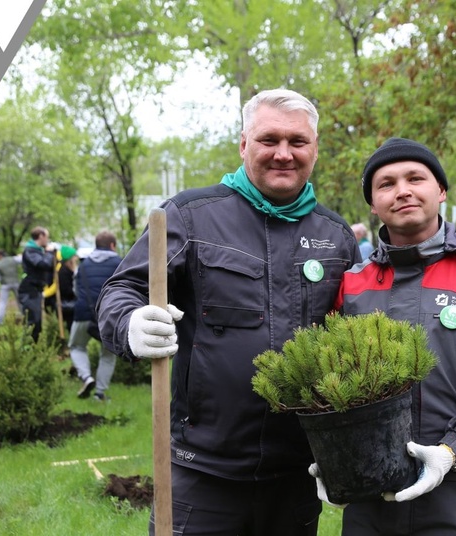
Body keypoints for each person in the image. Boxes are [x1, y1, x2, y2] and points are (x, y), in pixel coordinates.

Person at [97, 88, 361, 535]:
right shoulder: (191, 216)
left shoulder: (335, 236)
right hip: (203, 472)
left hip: (296, 474)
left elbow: (356, 337)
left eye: (297, 142)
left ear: (315, 150)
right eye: (268, 139)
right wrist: (129, 324)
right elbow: (121, 289)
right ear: (243, 145)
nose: (283, 154)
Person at [324, 137, 456, 535]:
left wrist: (451, 452)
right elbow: (332, 381)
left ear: (440, 190)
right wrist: (331, 450)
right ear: (372, 204)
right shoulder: (353, 284)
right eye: (385, 184)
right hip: (371, 497)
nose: (402, 190)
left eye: (415, 178)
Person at [69, 231, 121, 401]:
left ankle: (86, 377)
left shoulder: (83, 265)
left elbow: (75, 290)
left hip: (83, 312)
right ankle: (99, 393)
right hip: (109, 315)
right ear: (112, 245)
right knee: (108, 354)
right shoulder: (120, 263)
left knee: (76, 347)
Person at [18, 227, 56, 341]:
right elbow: (42, 264)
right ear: (41, 236)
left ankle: (34, 349)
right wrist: (49, 253)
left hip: (36, 290)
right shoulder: (30, 251)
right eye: (47, 237)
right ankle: (27, 350)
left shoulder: (38, 251)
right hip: (29, 291)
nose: (47, 240)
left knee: (37, 322)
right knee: (33, 322)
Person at [0, 249, 21, 325]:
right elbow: (22, 259)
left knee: (2, 302)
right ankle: (25, 316)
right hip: (16, 283)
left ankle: (0, 320)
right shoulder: (13, 259)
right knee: (20, 300)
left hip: (5, 284)